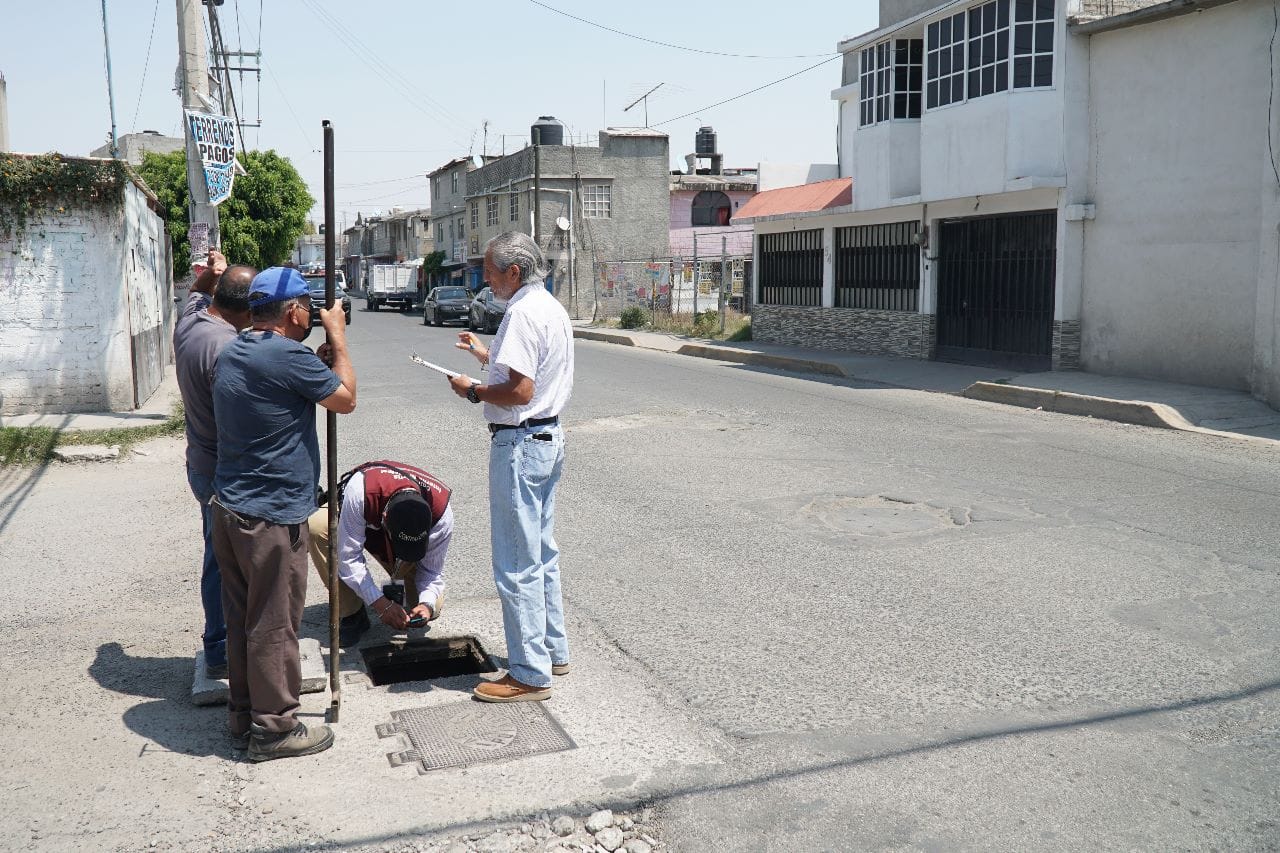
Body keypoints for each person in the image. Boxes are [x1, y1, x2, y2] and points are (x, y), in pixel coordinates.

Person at [210, 266, 356, 761]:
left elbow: (283, 391)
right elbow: (346, 400)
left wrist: (314, 363)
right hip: (270, 517)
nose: (312, 316)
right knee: (274, 623)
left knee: (243, 618)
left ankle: (244, 714)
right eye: (309, 309)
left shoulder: (236, 350)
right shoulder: (287, 356)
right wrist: (338, 338)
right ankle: (273, 731)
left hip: (229, 509)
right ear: (294, 311)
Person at [448, 232, 574, 703]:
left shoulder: (521, 314)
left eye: (491, 271)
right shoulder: (549, 307)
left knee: (517, 564)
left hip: (520, 441)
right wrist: (485, 357)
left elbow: (519, 393)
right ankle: (552, 652)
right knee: (541, 553)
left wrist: (474, 389)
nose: (486, 280)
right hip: (547, 436)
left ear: (515, 272)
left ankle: (528, 673)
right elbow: (531, 375)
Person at [173, 249, 257, 680]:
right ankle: (222, 646)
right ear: (246, 310)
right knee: (225, 560)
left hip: (200, 462)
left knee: (216, 554)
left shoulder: (191, 321)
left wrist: (211, 274)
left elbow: (195, 291)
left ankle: (222, 642)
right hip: (222, 468)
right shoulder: (228, 349)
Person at [307, 460, 453, 648]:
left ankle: (413, 596)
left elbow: (432, 573)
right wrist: (379, 603)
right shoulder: (360, 492)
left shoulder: (441, 514)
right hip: (364, 516)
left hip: (389, 523)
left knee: (432, 607)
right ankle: (352, 612)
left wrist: (426, 604)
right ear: (385, 519)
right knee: (318, 526)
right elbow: (349, 558)